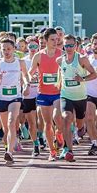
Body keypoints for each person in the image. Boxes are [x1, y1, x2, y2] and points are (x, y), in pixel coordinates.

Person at [0, 38, 30, 164]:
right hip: (1, 97)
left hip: (15, 97)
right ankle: (8, 148)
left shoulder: (20, 62)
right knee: (5, 128)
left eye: (9, 49)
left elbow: (26, 76)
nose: (6, 51)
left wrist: (26, 84)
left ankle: (10, 152)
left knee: (11, 123)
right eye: (3, 49)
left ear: (14, 49)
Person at [57, 34, 96, 161]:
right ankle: (69, 150)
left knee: (79, 124)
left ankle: (81, 128)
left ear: (76, 46)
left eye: (71, 45)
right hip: (66, 95)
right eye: (66, 45)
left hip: (80, 97)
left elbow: (94, 74)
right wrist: (58, 83)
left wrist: (82, 79)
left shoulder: (82, 59)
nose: (68, 48)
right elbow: (61, 73)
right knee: (67, 119)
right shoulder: (60, 60)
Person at [28, 28, 63, 161]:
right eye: (52, 40)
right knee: (48, 124)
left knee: (57, 118)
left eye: (57, 39)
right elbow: (30, 72)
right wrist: (24, 80)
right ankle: (52, 151)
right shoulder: (39, 55)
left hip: (58, 93)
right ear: (45, 41)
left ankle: (59, 133)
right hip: (43, 93)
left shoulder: (61, 55)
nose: (55, 42)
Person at [22, 36, 41, 156]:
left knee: (43, 119)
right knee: (32, 121)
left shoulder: (42, 58)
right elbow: (21, 76)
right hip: (28, 94)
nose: (33, 49)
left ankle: (42, 135)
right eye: (30, 46)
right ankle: (36, 144)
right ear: (27, 47)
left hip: (41, 93)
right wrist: (26, 84)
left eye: (35, 46)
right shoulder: (23, 61)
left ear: (38, 47)